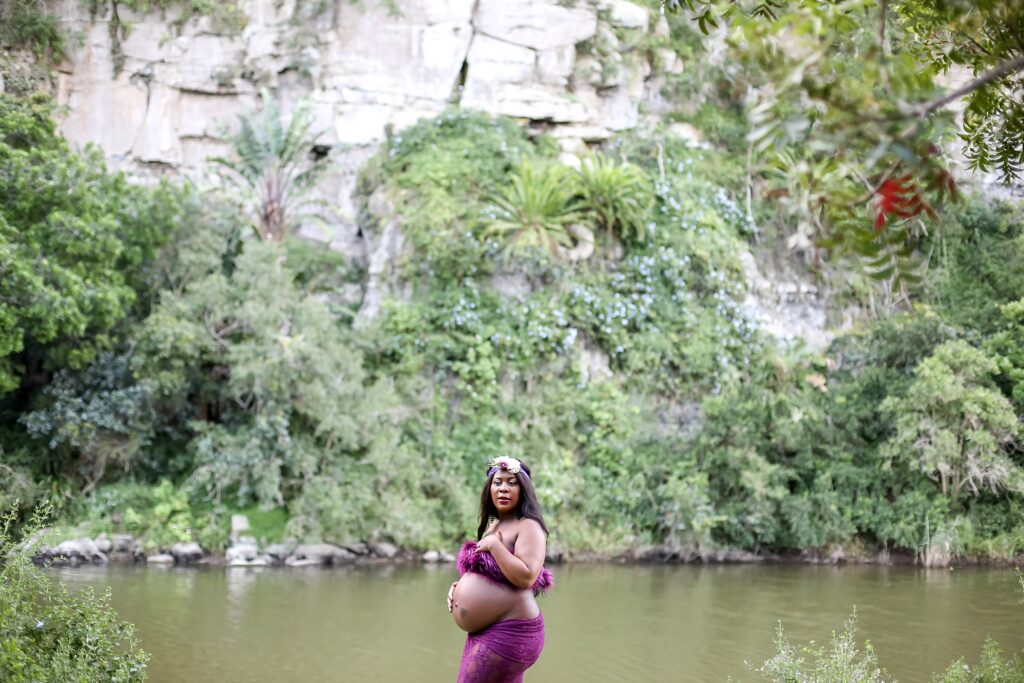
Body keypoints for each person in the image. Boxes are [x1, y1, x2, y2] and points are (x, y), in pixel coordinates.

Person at [446, 456, 553, 683]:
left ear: (523, 490)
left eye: (511, 483)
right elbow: (491, 573)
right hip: (488, 628)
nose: (503, 488)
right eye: (497, 482)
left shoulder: (528, 526)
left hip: (511, 631)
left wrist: (495, 546)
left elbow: (526, 577)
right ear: (489, 489)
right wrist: (458, 588)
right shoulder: (496, 524)